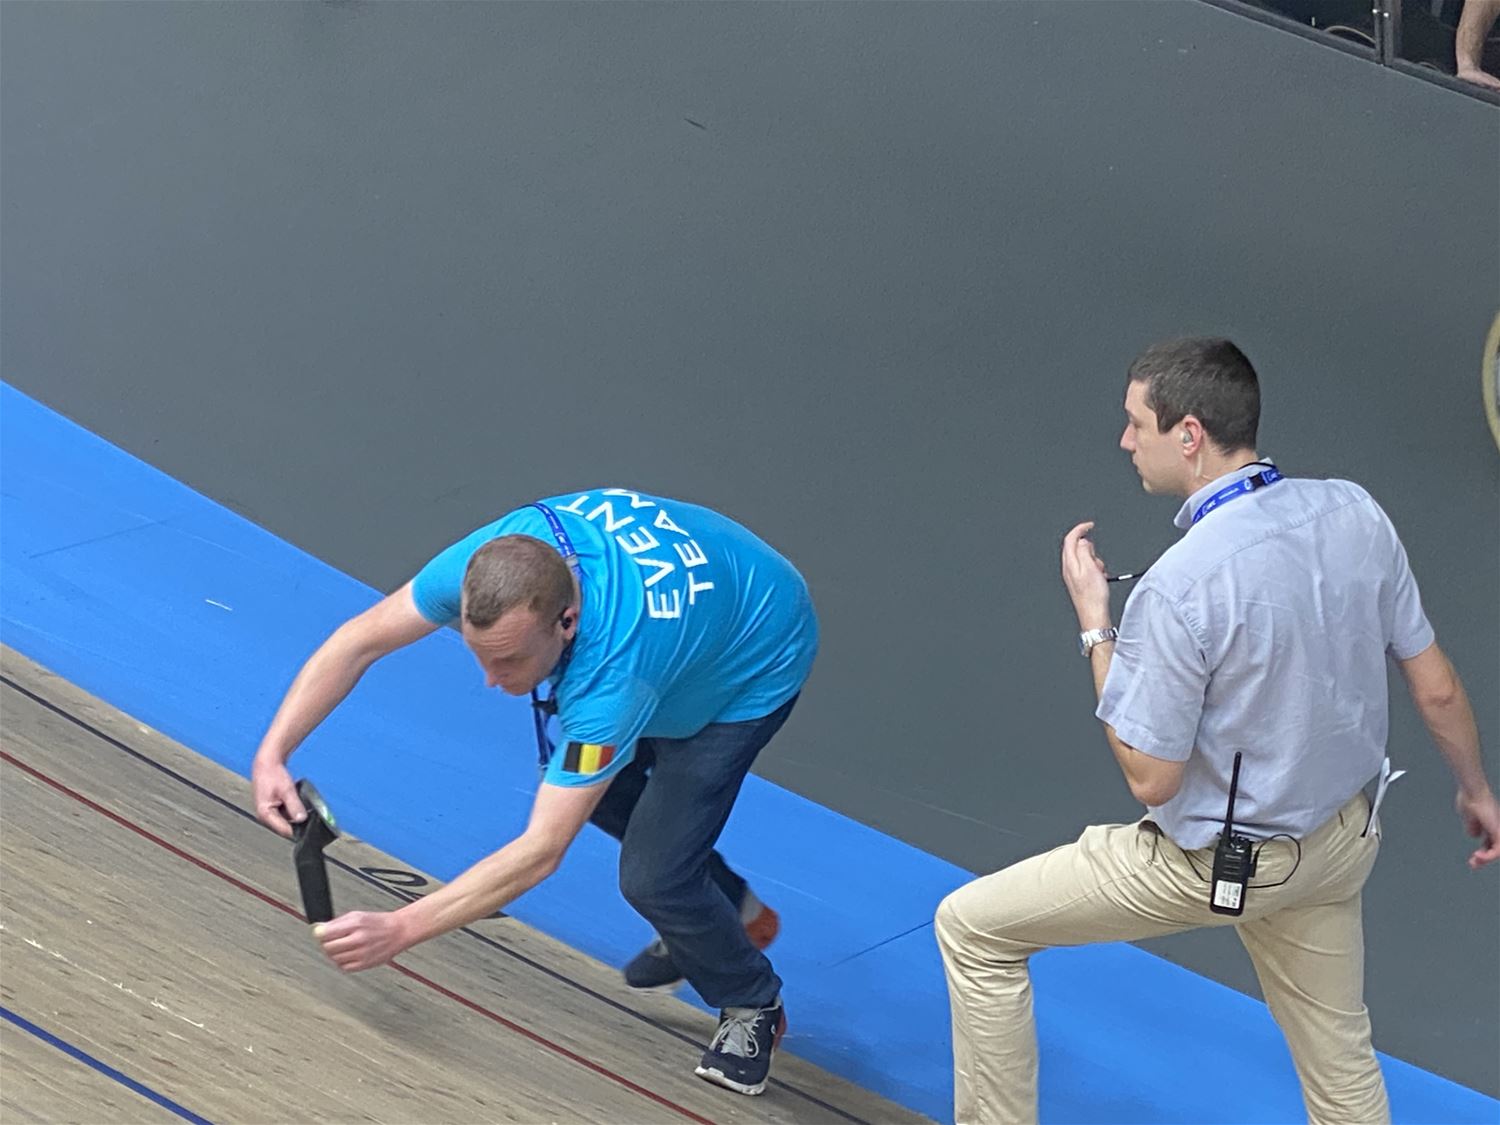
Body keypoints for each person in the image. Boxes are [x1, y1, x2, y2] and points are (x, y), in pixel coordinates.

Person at [934, 337, 1500, 1125]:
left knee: (972, 929)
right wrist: (1476, 789)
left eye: (1138, 423)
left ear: (1190, 435)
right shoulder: (1354, 510)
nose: (1125, 440)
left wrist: (1097, 625)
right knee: (1342, 1065)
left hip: (1218, 865)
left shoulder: (1179, 586)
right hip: (1337, 845)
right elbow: (1435, 687)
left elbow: (1151, 776)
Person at [251, 487, 818, 1096]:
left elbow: (541, 851)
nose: (492, 681)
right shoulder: (489, 563)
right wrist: (272, 753)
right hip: (692, 614)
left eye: (511, 661)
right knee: (585, 781)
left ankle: (752, 1002)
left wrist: (401, 929)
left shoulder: (612, 679)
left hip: (754, 655)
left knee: (655, 877)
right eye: (481, 656)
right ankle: (725, 907)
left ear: (566, 621)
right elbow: (358, 640)